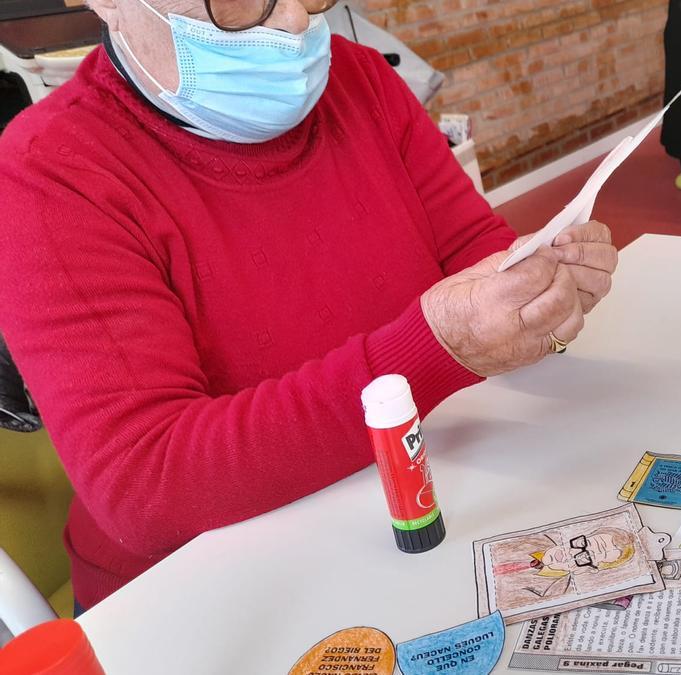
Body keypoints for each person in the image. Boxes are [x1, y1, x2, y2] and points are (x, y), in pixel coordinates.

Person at [0, 0, 618, 613]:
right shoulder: (48, 172)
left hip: (415, 500)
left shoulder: (362, 80)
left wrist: (535, 293)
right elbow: (146, 486)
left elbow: (470, 248)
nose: (296, 20)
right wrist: (437, 350)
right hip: (202, 592)